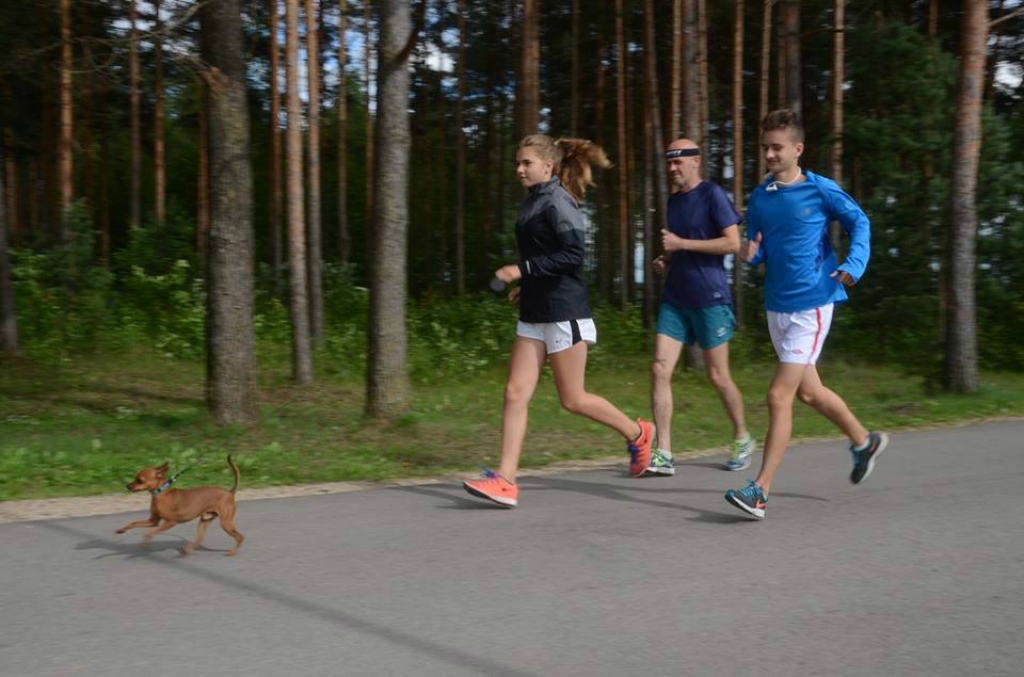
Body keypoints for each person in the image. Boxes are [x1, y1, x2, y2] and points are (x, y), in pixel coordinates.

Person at [463, 134, 655, 508]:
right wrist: (528, 283)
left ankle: (638, 432)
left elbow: (573, 256)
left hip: (565, 312)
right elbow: (546, 256)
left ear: (547, 167)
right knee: (515, 393)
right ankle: (505, 480)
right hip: (534, 312)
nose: (519, 169)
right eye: (517, 163)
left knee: (573, 399)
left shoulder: (559, 201)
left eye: (526, 163)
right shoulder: (533, 200)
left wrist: (519, 270)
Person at [724, 109, 888, 520]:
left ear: (798, 149)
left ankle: (759, 491)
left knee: (779, 396)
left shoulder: (820, 190)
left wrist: (854, 264)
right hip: (776, 306)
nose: (769, 155)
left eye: (777, 147)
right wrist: (751, 252)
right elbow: (759, 244)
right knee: (810, 392)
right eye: (765, 148)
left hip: (812, 304)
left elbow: (860, 222)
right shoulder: (761, 197)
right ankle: (863, 441)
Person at [647, 139, 754, 477]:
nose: (672, 169)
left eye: (678, 163)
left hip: (710, 298)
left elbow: (733, 243)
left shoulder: (713, 195)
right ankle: (663, 451)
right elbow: (679, 246)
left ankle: (742, 437)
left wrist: (682, 244)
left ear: (695, 162)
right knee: (660, 369)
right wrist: (666, 258)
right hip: (675, 298)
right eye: (669, 163)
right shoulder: (674, 201)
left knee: (718, 375)